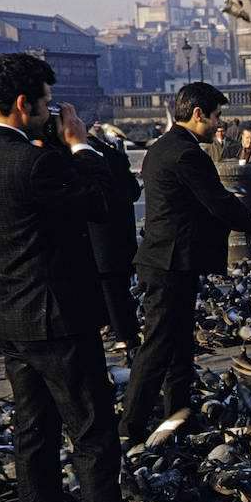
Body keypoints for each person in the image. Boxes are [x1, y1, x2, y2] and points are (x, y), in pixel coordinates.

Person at [0, 52, 160, 502]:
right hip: (61, 319)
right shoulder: (37, 161)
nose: (50, 113)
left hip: (11, 315)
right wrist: (81, 144)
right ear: (24, 104)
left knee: (33, 435)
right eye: (45, 104)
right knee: (92, 435)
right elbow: (100, 205)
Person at [120, 82, 251, 444]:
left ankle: (177, 414)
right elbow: (215, 200)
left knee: (180, 343)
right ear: (198, 113)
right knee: (158, 346)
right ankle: (130, 426)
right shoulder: (186, 154)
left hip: (170, 261)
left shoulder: (162, 147)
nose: (220, 125)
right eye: (216, 116)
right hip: (169, 263)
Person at [86, 125, 142, 352]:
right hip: (122, 235)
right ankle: (127, 332)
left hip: (98, 237)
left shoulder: (84, 160)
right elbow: (134, 192)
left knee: (109, 289)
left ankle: (122, 335)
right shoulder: (115, 157)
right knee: (120, 289)